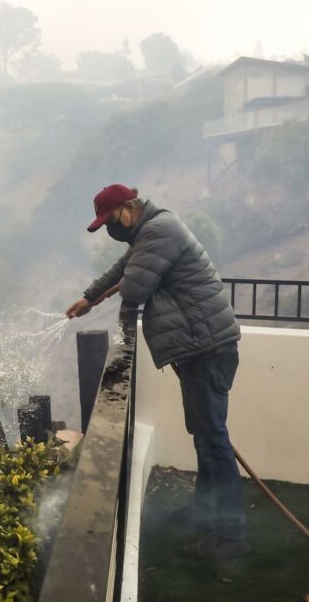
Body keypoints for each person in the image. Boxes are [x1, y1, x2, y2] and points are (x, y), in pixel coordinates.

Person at [66, 183, 249, 560]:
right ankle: (202, 513)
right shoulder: (149, 231)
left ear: (129, 208)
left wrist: (113, 293)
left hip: (208, 347)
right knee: (205, 437)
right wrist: (90, 295)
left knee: (214, 441)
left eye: (111, 222)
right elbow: (124, 269)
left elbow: (134, 287)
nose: (111, 232)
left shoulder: (159, 230)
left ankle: (232, 536)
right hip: (201, 347)